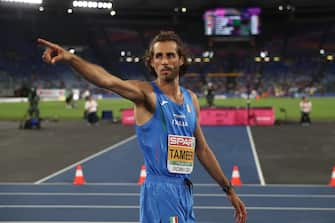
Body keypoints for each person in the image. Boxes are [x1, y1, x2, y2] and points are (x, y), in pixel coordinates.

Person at [38, 31, 247, 223]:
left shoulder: (191, 100)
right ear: (151, 62)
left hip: (184, 189)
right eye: (159, 56)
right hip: (160, 191)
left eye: (170, 55)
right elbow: (107, 81)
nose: (164, 61)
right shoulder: (146, 95)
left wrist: (229, 190)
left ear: (181, 59)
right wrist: (71, 58)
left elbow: (201, 149)